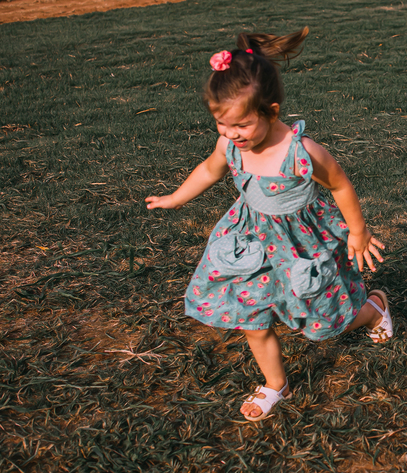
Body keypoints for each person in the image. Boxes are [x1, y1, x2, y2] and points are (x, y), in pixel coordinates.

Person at [146, 28, 392, 422]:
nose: (231, 135)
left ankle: (374, 309)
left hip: (301, 244)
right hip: (250, 243)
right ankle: (276, 384)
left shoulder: (301, 151)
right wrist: (175, 197)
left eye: (241, 126)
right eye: (221, 124)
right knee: (251, 317)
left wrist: (358, 232)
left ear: (272, 112)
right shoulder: (229, 144)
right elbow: (209, 170)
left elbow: (340, 185)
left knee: (326, 319)